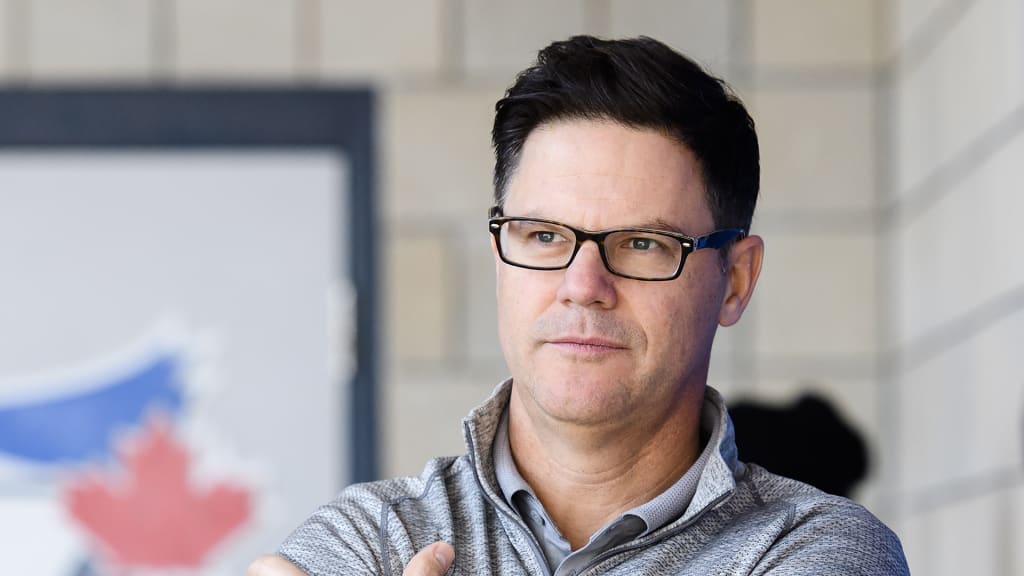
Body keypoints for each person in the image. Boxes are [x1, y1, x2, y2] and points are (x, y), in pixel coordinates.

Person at [250, 35, 909, 576]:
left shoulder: (817, 549)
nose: (582, 283)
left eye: (644, 243)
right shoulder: (371, 535)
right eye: (543, 236)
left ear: (735, 280)